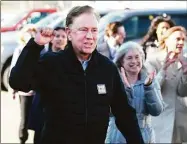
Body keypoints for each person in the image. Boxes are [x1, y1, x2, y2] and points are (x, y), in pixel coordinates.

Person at [9, 5, 144, 144]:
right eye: (83, 30)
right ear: (69, 33)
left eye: (94, 30)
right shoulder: (51, 63)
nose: (90, 36)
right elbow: (18, 82)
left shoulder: (107, 68)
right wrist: (35, 46)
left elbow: (124, 113)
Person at [105, 41, 165, 143]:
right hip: (117, 136)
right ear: (121, 62)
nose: (134, 61)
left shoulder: (150, 80)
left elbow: (157, 111)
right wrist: (126, 89)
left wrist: (148, 87)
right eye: (129, 58)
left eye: (137, 57)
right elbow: (110, 112)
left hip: (144, 137)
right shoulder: (113, 80)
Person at [144, 26, 187, 143]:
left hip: (180, 121)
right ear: (167, 40)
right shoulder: (152, 60)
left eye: (183, 39)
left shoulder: (185, 61)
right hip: (160, 120)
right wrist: (163, 70)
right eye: (177, 39)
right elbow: (151, 90)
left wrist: (185, 73)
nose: (181, 42)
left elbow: (182, 92)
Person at [28, 26, 68, 144]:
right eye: (57, 36)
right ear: (51, 39)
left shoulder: (71, 60)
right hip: (42, 106)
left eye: (63, 36)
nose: (60, 39)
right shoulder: (42, 57)